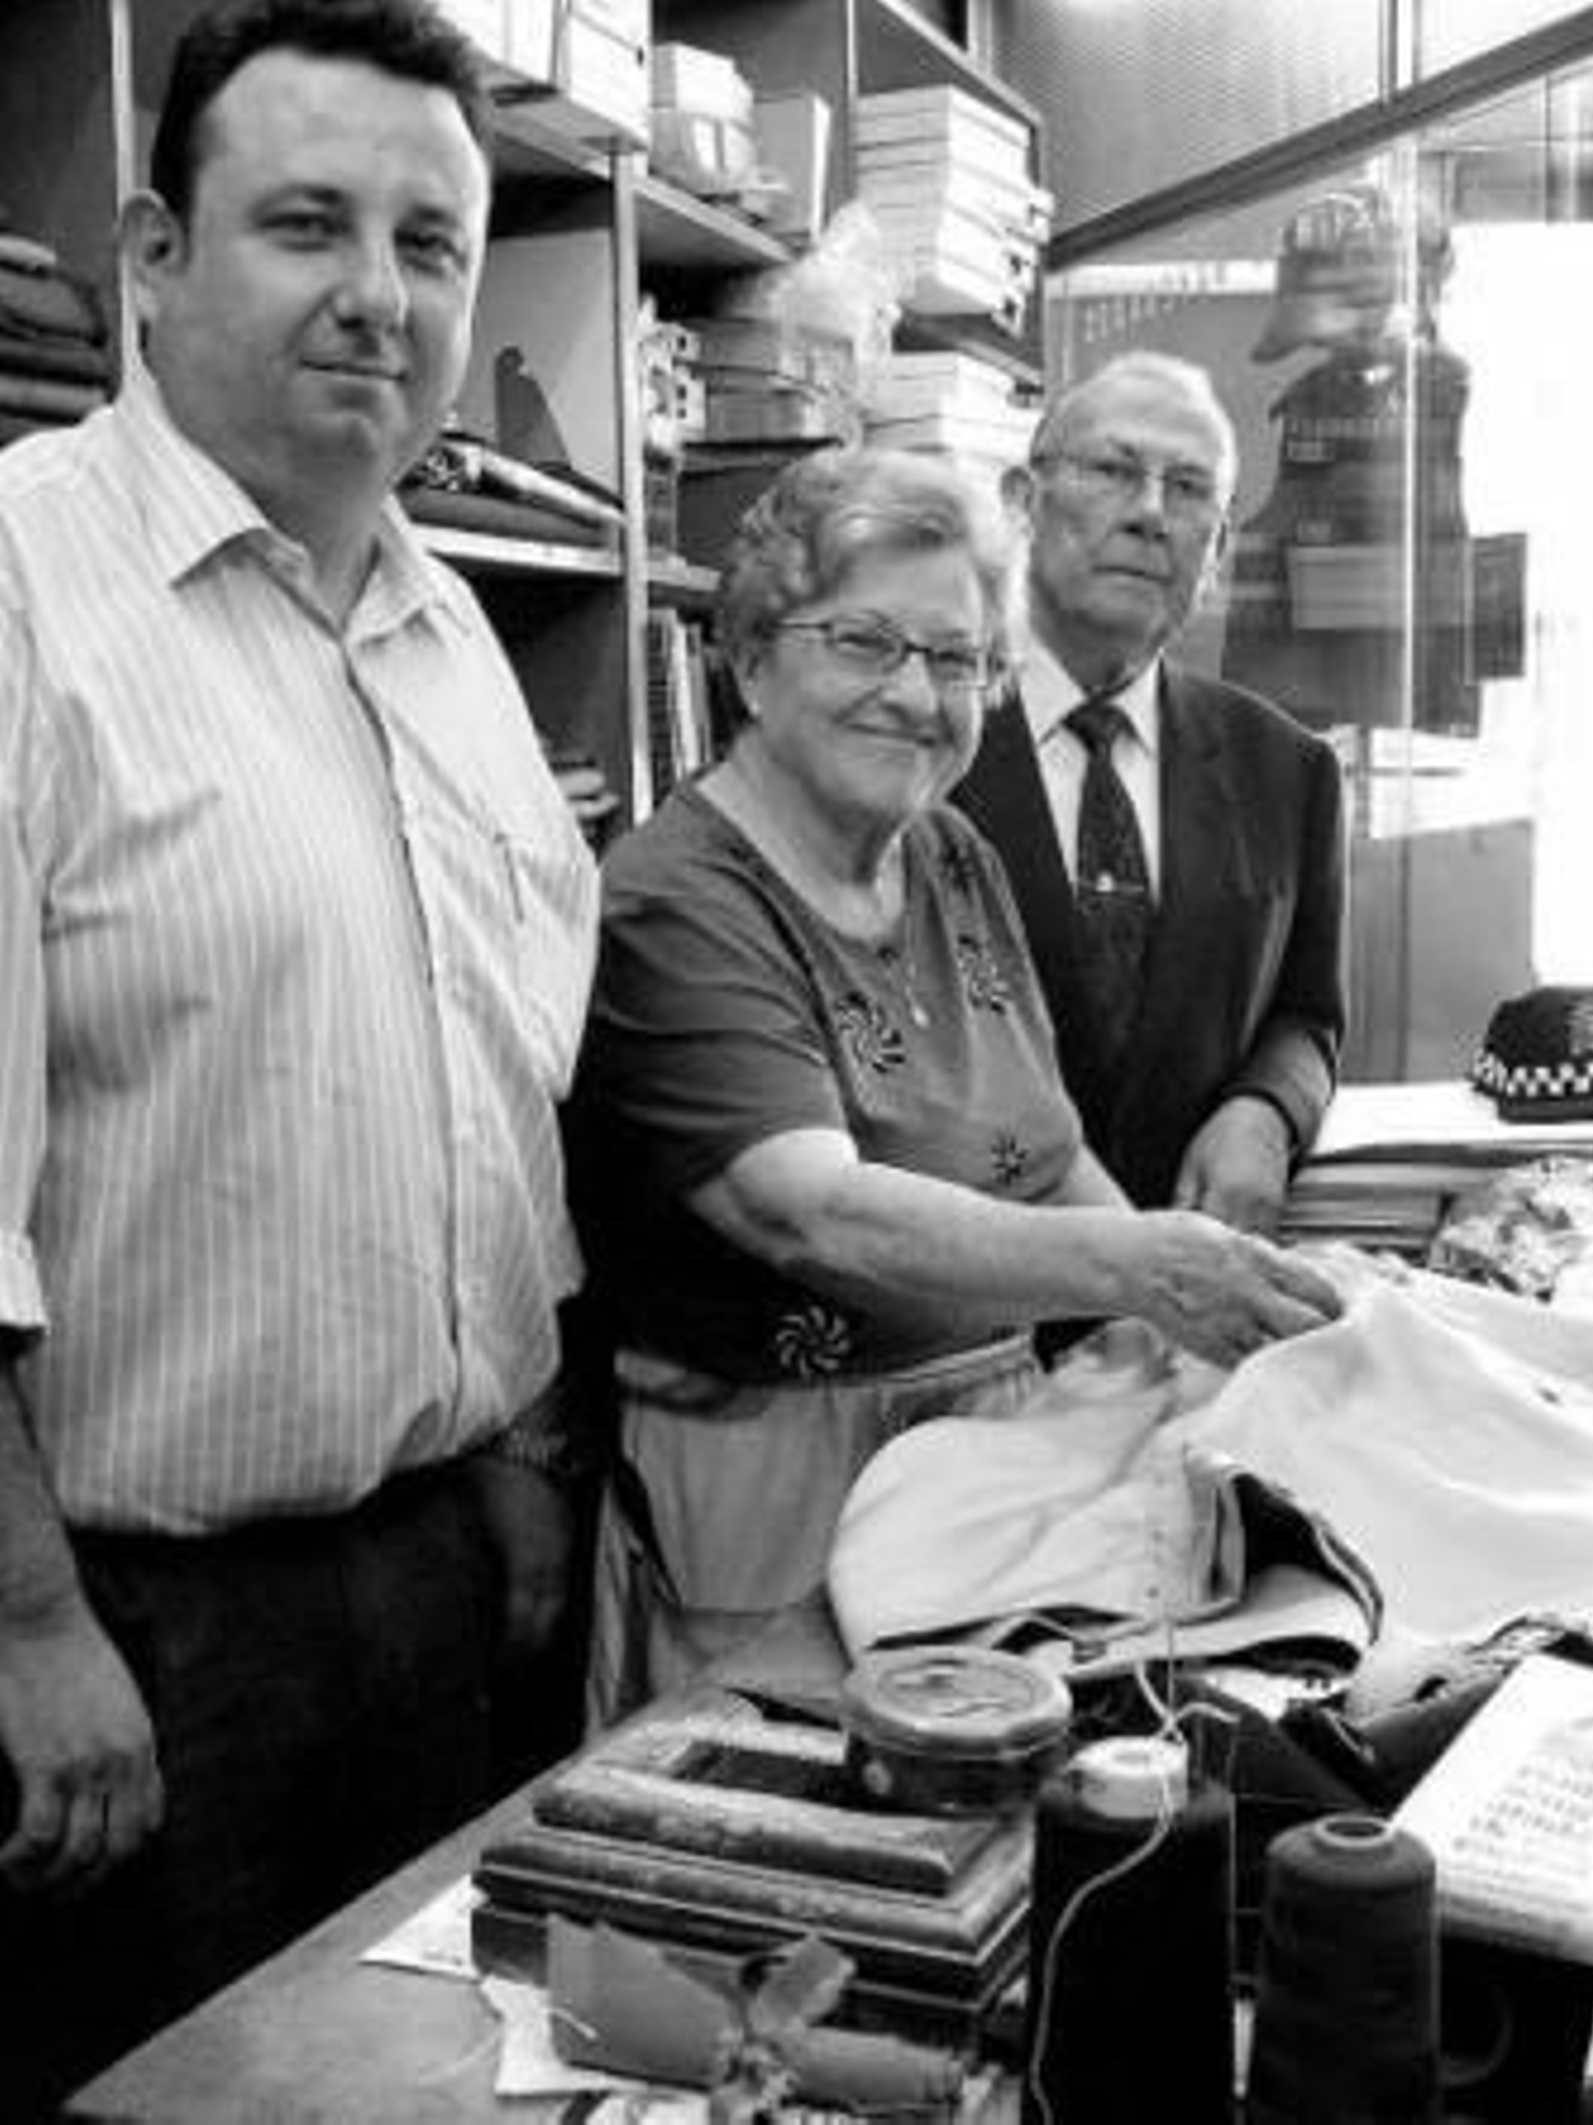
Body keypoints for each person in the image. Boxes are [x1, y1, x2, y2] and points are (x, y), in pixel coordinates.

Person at [0, 0, 598, 2108]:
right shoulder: (19, 591)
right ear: (154, 254)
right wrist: (23, 1630)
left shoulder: (447, 633)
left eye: (432, 245)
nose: (380, 296)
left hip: (431, 1578)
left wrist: (510, 1468)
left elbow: (498, 1090)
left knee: (427, 2081)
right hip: (129, 1634)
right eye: (307, 224)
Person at [568, 444, 1344, 1727]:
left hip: (994, 1464)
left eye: (955, 659)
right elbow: (808, 1213)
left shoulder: (948, 853)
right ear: (751, 655)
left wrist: (1186, 1342)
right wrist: (1139, 1268)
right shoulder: (673, 900)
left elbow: (1047, 1156)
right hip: (772, 1501)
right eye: (865, 643)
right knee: (795, 1850)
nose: (917, 696)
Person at [957, 351, 1347, 1231]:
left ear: (1218, 547)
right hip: (969, 1296)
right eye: (1112, 470)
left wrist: (1269, 1112)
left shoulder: (1288, 770)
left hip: (1198, 1292)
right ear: (1023, 501)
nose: (1148, 512)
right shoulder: (924, 737)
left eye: (1188, 488)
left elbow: (1307, 1015)